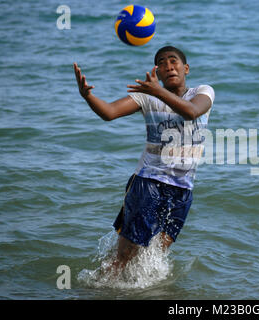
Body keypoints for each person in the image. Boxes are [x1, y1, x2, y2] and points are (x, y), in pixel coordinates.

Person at [73, 46, 215, 272]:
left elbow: (191, 112)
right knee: (126, 257)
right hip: (148, 184)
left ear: (186, 68)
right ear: (157, 72)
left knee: (153, 257)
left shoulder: (203, 92)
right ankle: (95, 291)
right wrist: (88, 96)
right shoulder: (147, 97)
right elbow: (109, 112)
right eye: (161, 63)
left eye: (173, 61)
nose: (168, 66)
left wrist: (158, 92)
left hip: (182, 190)